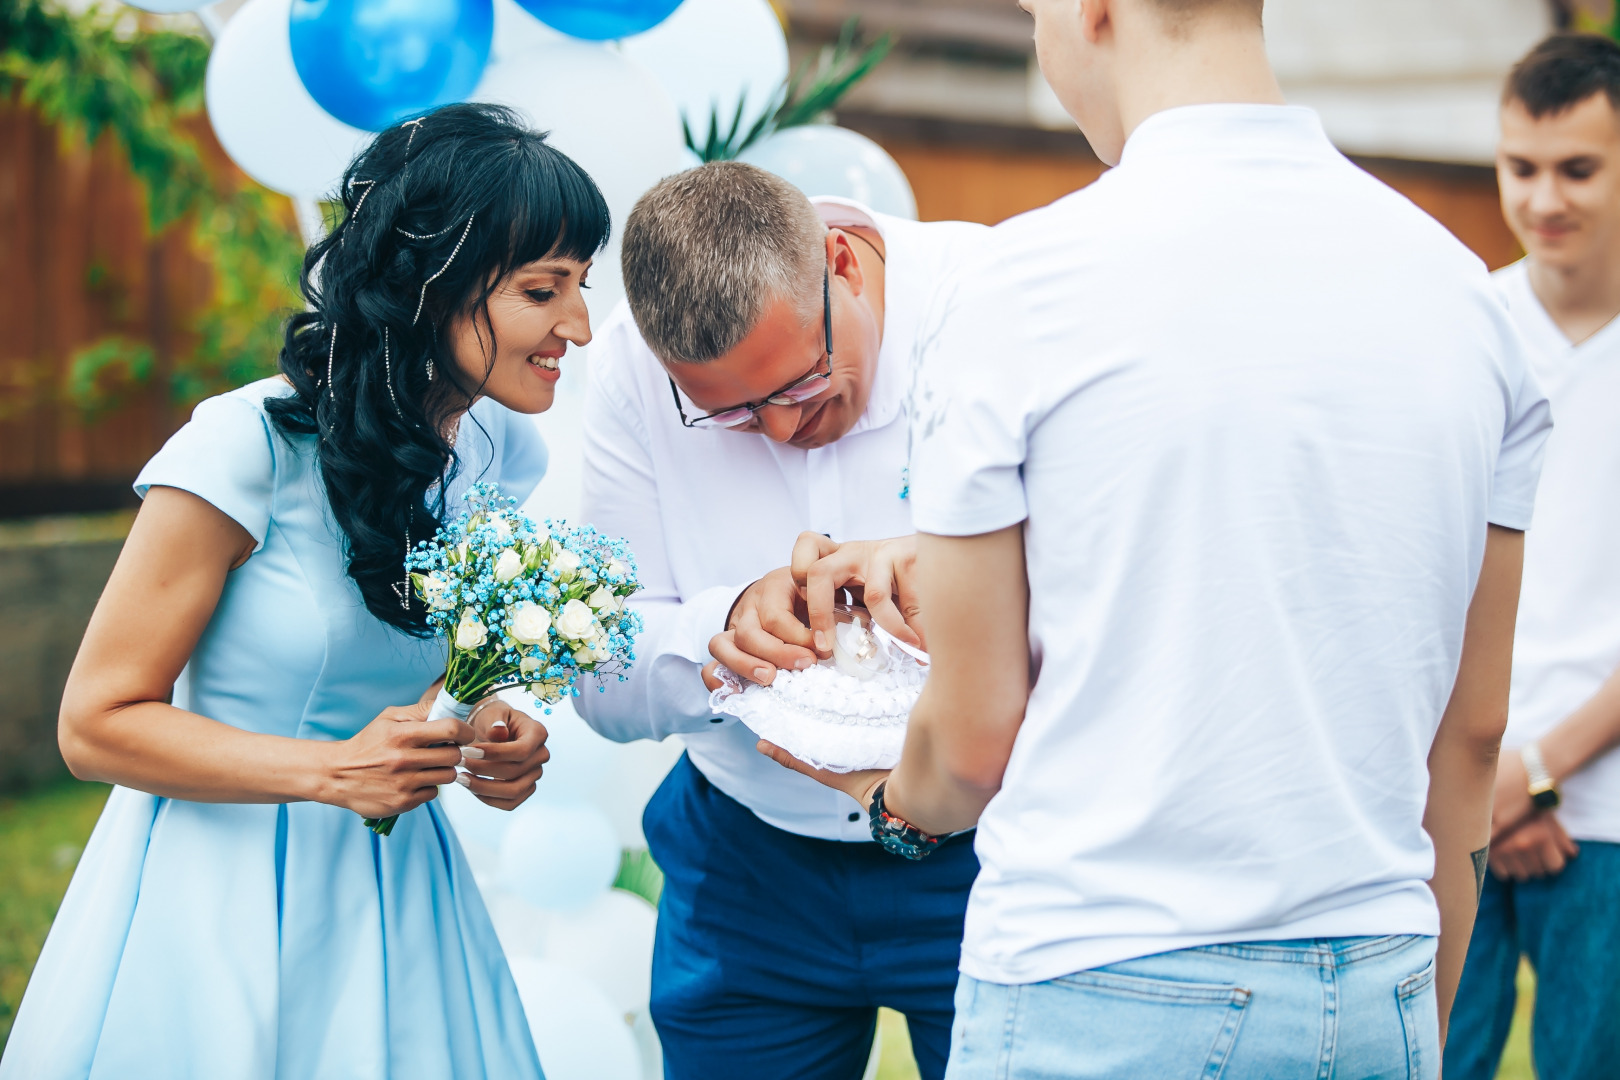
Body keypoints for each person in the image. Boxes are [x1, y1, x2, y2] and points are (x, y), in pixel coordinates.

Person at [765, 0, 1552, 1076]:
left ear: (1093, 11)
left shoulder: (1024, 284)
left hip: (1102, 975)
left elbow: (972, 734)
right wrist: (1420, 1007)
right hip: (1378, 973)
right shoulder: (1467, 295)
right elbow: (1473, 732)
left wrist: (888, 809)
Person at [0, 103, 607, 1079]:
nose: (578, 325)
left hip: (401, 897)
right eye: (545, 290)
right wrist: (330, 773)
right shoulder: (245, 448)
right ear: (432, 283)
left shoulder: (500, 450)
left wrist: (487, 721)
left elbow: (419, 672)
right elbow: (95, 724)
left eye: (582, 285)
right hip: (217, 902)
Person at [574, 162, 988, 1080]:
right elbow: (599, 672)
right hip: (745, 872)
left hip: (995, 857)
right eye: (726, 414)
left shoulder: (998, 305)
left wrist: (948, 576)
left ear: (840, 261)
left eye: (797, 385)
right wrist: (723, 628)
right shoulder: (629, 370)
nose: (777, 432)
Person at [1445, 34, 1620, 1080]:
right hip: (1456, 794)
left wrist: (1541, 776)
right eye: (1521, 167)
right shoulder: (1468, 328)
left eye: (1579, 168)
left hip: (1604, 818)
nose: (1544, 197)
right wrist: (1486, 781)